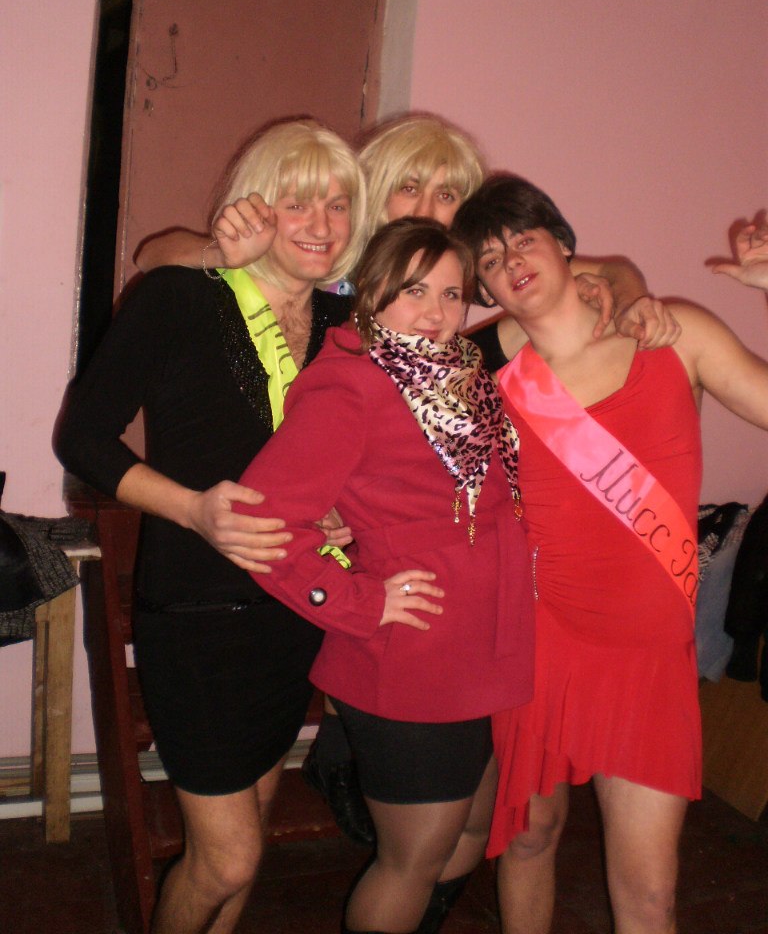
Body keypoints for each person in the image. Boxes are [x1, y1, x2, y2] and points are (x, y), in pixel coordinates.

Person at [131, 113, 673, 846]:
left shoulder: (447, 336)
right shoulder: (328, 285)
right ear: (372, 193)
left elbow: (592, 273)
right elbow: (156, 253)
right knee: (269, 842)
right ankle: (348, 758)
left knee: (456, 827)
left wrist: (629, 293)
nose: (428, 208)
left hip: (382, 602)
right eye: (408, 187)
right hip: (248, 572)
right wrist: (218, 249)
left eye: (449, 195)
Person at [53, 119, 367, 934]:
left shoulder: (346, 325)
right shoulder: (180, 296)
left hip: (297, 607)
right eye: (298, 202)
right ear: (254, 207)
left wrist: (347, 505)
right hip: (198, 611)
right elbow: (82, 439)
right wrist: (193, 509)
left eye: (338, 204)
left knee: (250, 838)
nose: (322, 224)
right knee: (226, 857)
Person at [452, 175, 768, 934]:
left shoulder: (676, 336)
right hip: (542, 641)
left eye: (524, 239)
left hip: (649, 658)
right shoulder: (488, 386)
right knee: (530, 837)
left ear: (565, 245)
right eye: (490, 259)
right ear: (484, 288)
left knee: (651, 894)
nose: (510, 261)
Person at [231, 217, 536, 934]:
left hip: (489, 647)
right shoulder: (350, 384)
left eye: (452, 293)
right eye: (413, 290)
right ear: (372, 291)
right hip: (414, 658)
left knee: (472, 830)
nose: (435, 311)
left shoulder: (464, 376)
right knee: (413, 858)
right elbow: (261, 524)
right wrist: (359, 601)